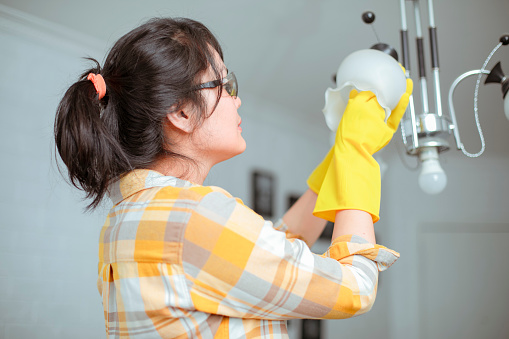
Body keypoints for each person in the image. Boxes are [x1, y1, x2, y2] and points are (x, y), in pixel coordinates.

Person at [54, 17, 412, 339]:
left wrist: (339, 157)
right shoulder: (193, 217)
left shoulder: (131, 216)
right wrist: (356, 154)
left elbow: (269, 253)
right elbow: (354, 289)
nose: (236, 100)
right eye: (223, 85)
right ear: (180, 111)